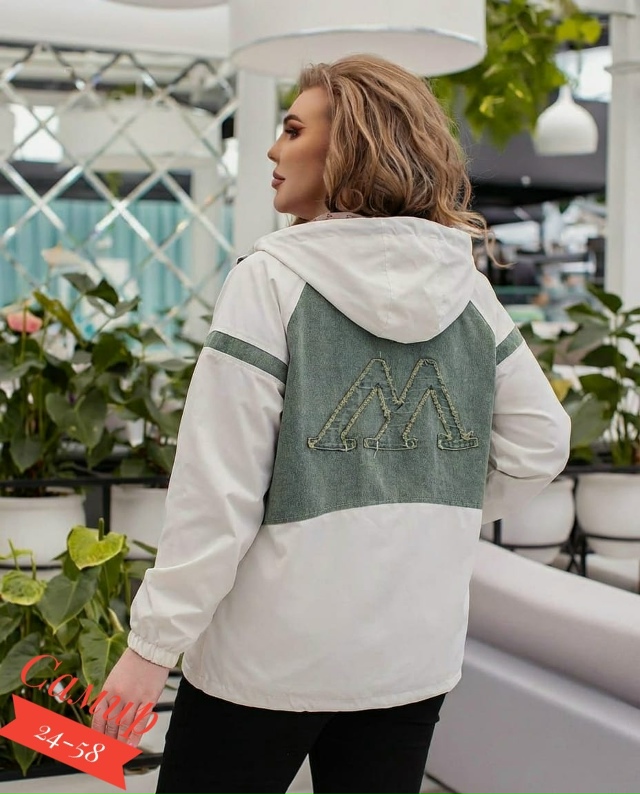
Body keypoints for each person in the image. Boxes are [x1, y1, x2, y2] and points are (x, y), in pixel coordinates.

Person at [92, 54, 571, 794]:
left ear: (351, 149)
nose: (271, 150)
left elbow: (219, 494)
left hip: (266, 660)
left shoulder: (271, 280)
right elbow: (542, 442)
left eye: (292, 130)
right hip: (410, 655)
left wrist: (150, 648)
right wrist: (432, 504)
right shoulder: (469, 291)